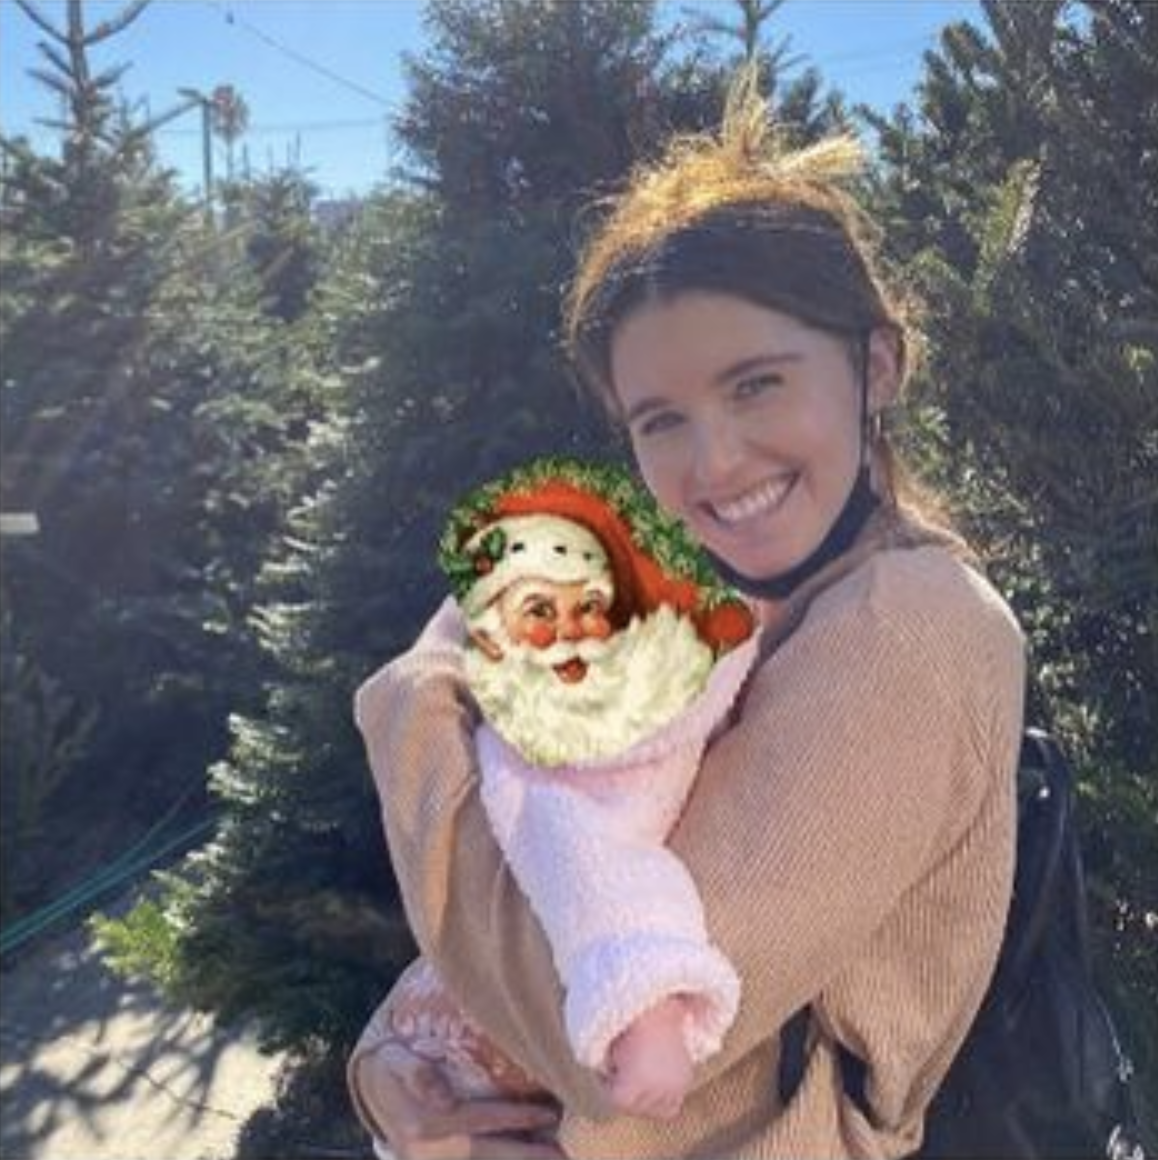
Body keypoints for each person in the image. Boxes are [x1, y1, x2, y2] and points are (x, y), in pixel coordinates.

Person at [347, 70, 1026, 1160]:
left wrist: (414, 700)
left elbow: (623, 1026)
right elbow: (572, 845)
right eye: (662, 419)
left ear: (877, 364)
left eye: (758, 383)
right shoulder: (728, 603)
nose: (713, 463)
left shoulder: (911, 629)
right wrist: (391, 1064)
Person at [373, 459, 759, 1125]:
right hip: (485, 1073)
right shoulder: (571, 762)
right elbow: (591, 864)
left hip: (470, 1059)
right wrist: (650, 1007)